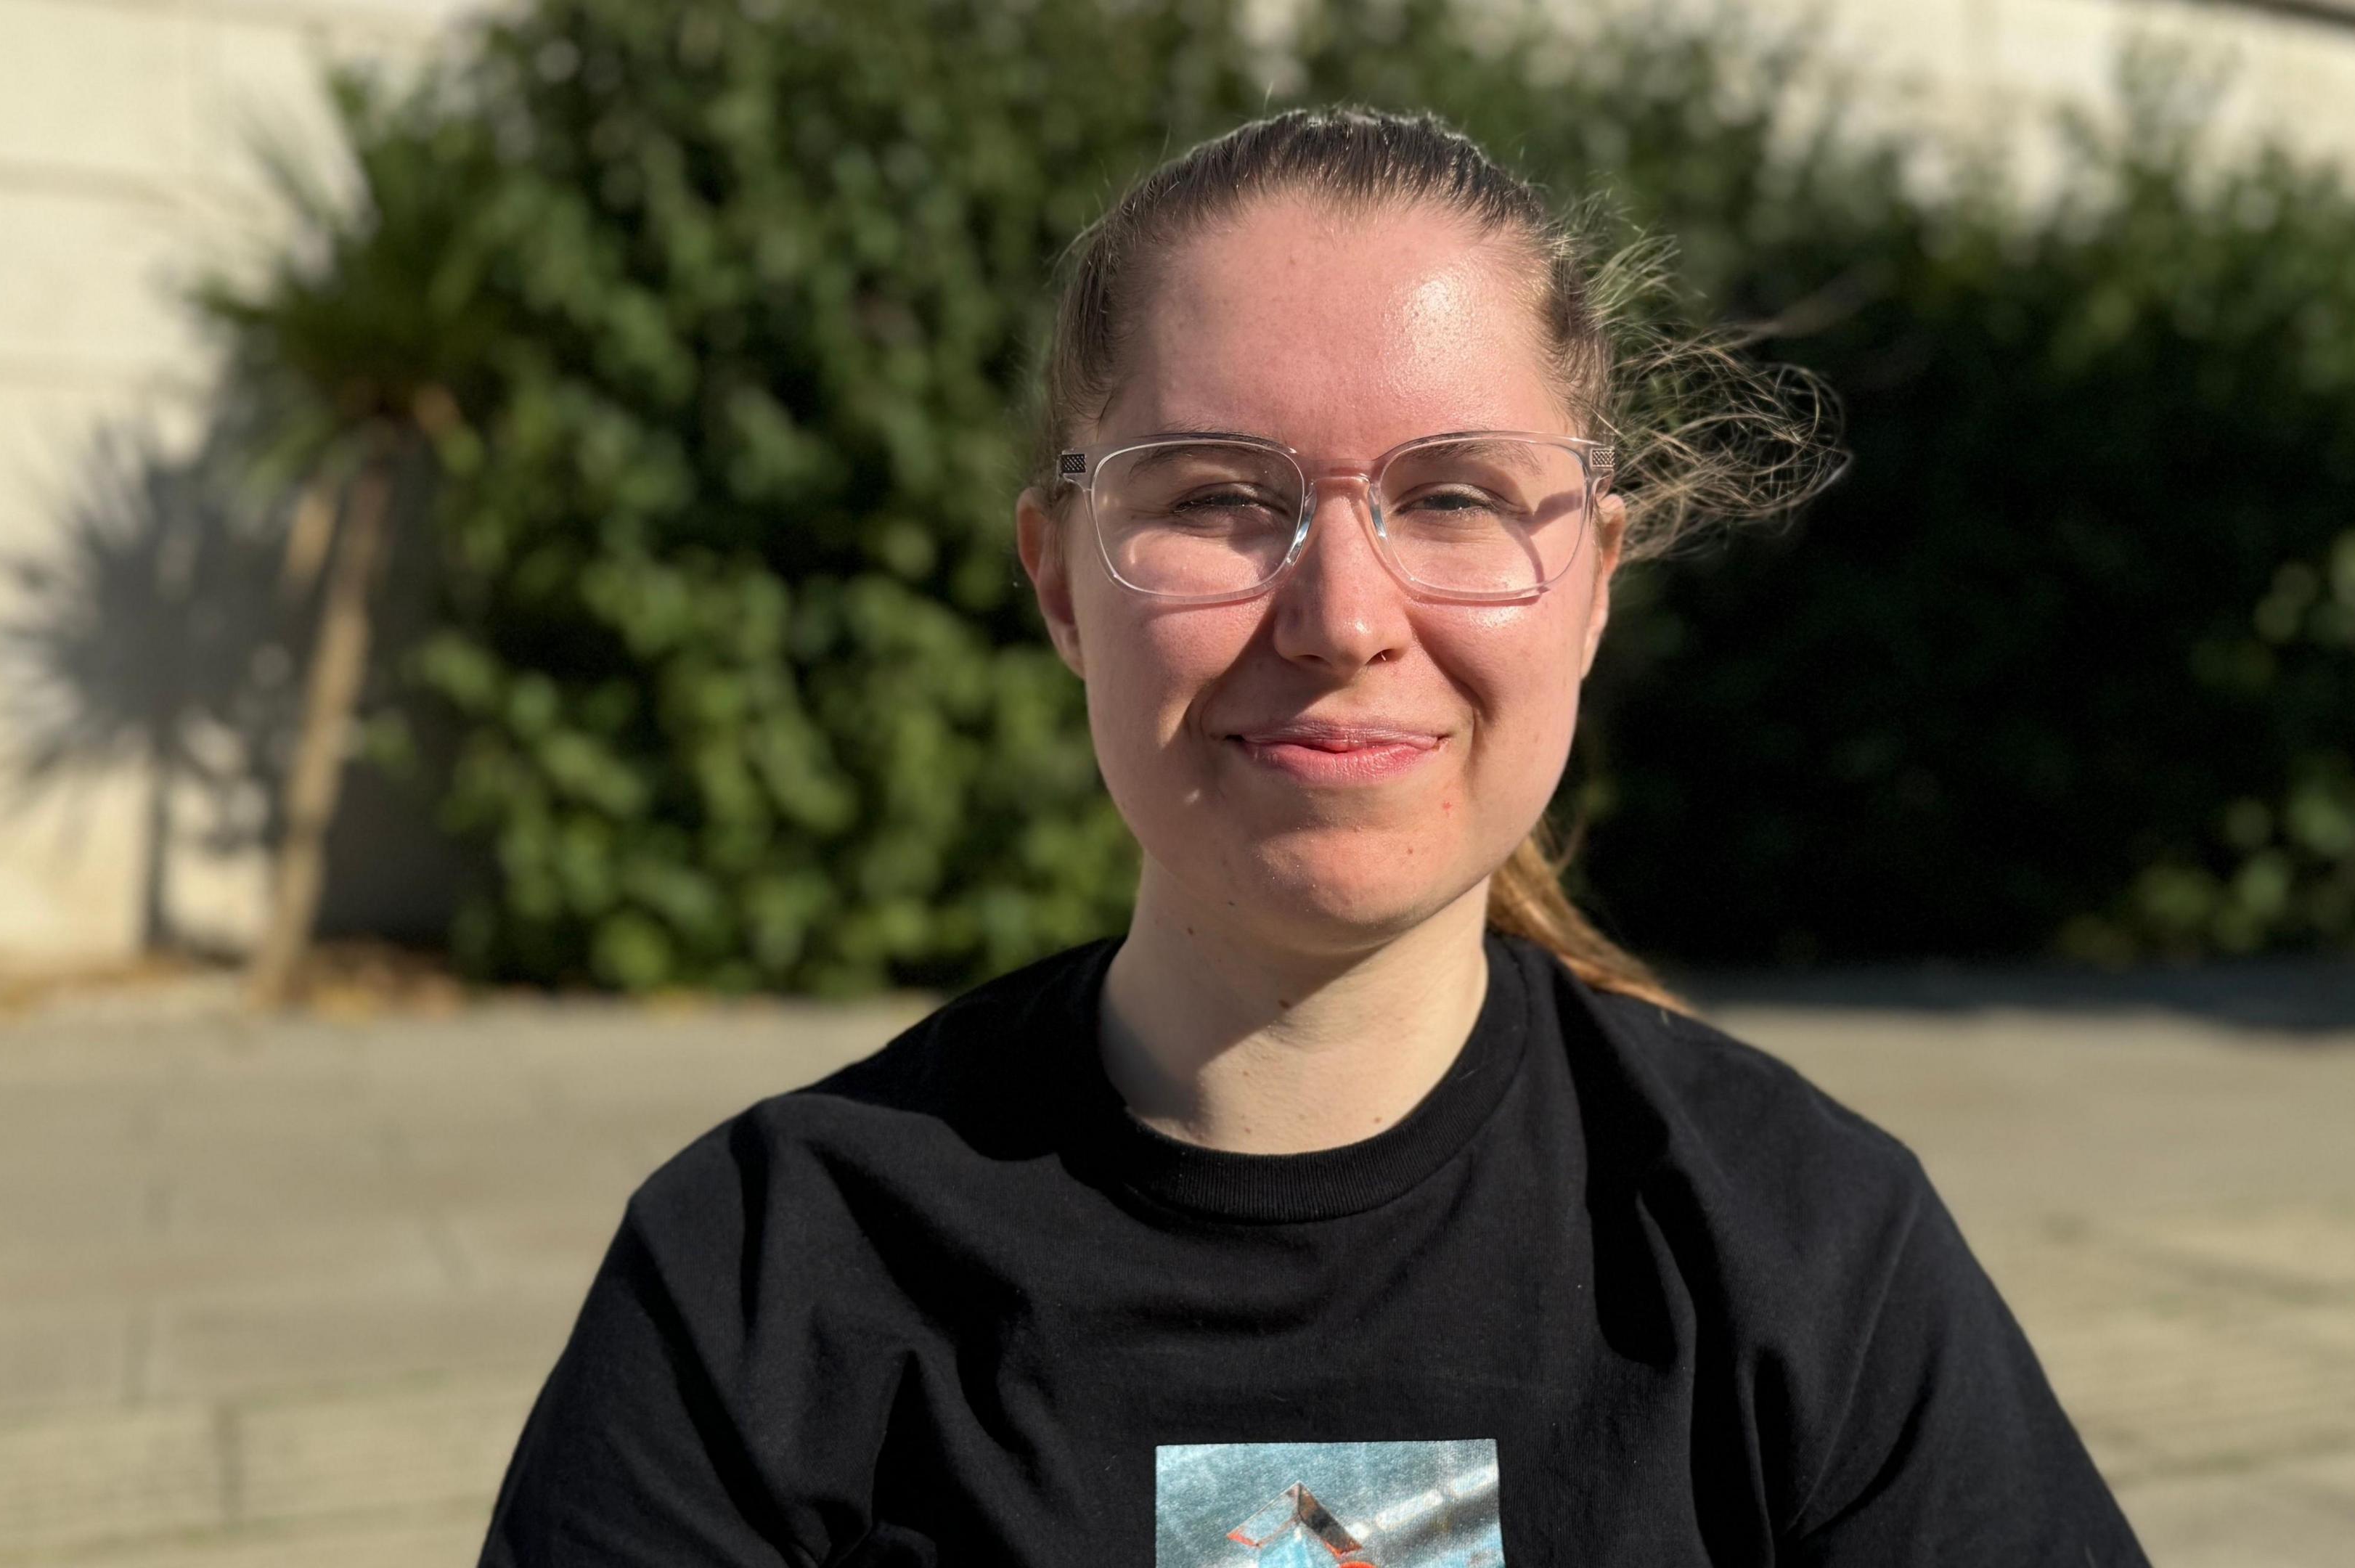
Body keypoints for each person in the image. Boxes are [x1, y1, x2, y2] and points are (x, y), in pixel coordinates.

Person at [479, 105, 2145, 1567]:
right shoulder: (764, 1278)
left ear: (1595, 583)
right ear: (1061, 583)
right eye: (1217, 497)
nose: (1344, 615)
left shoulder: (1815, 1256)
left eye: (1455, 497)